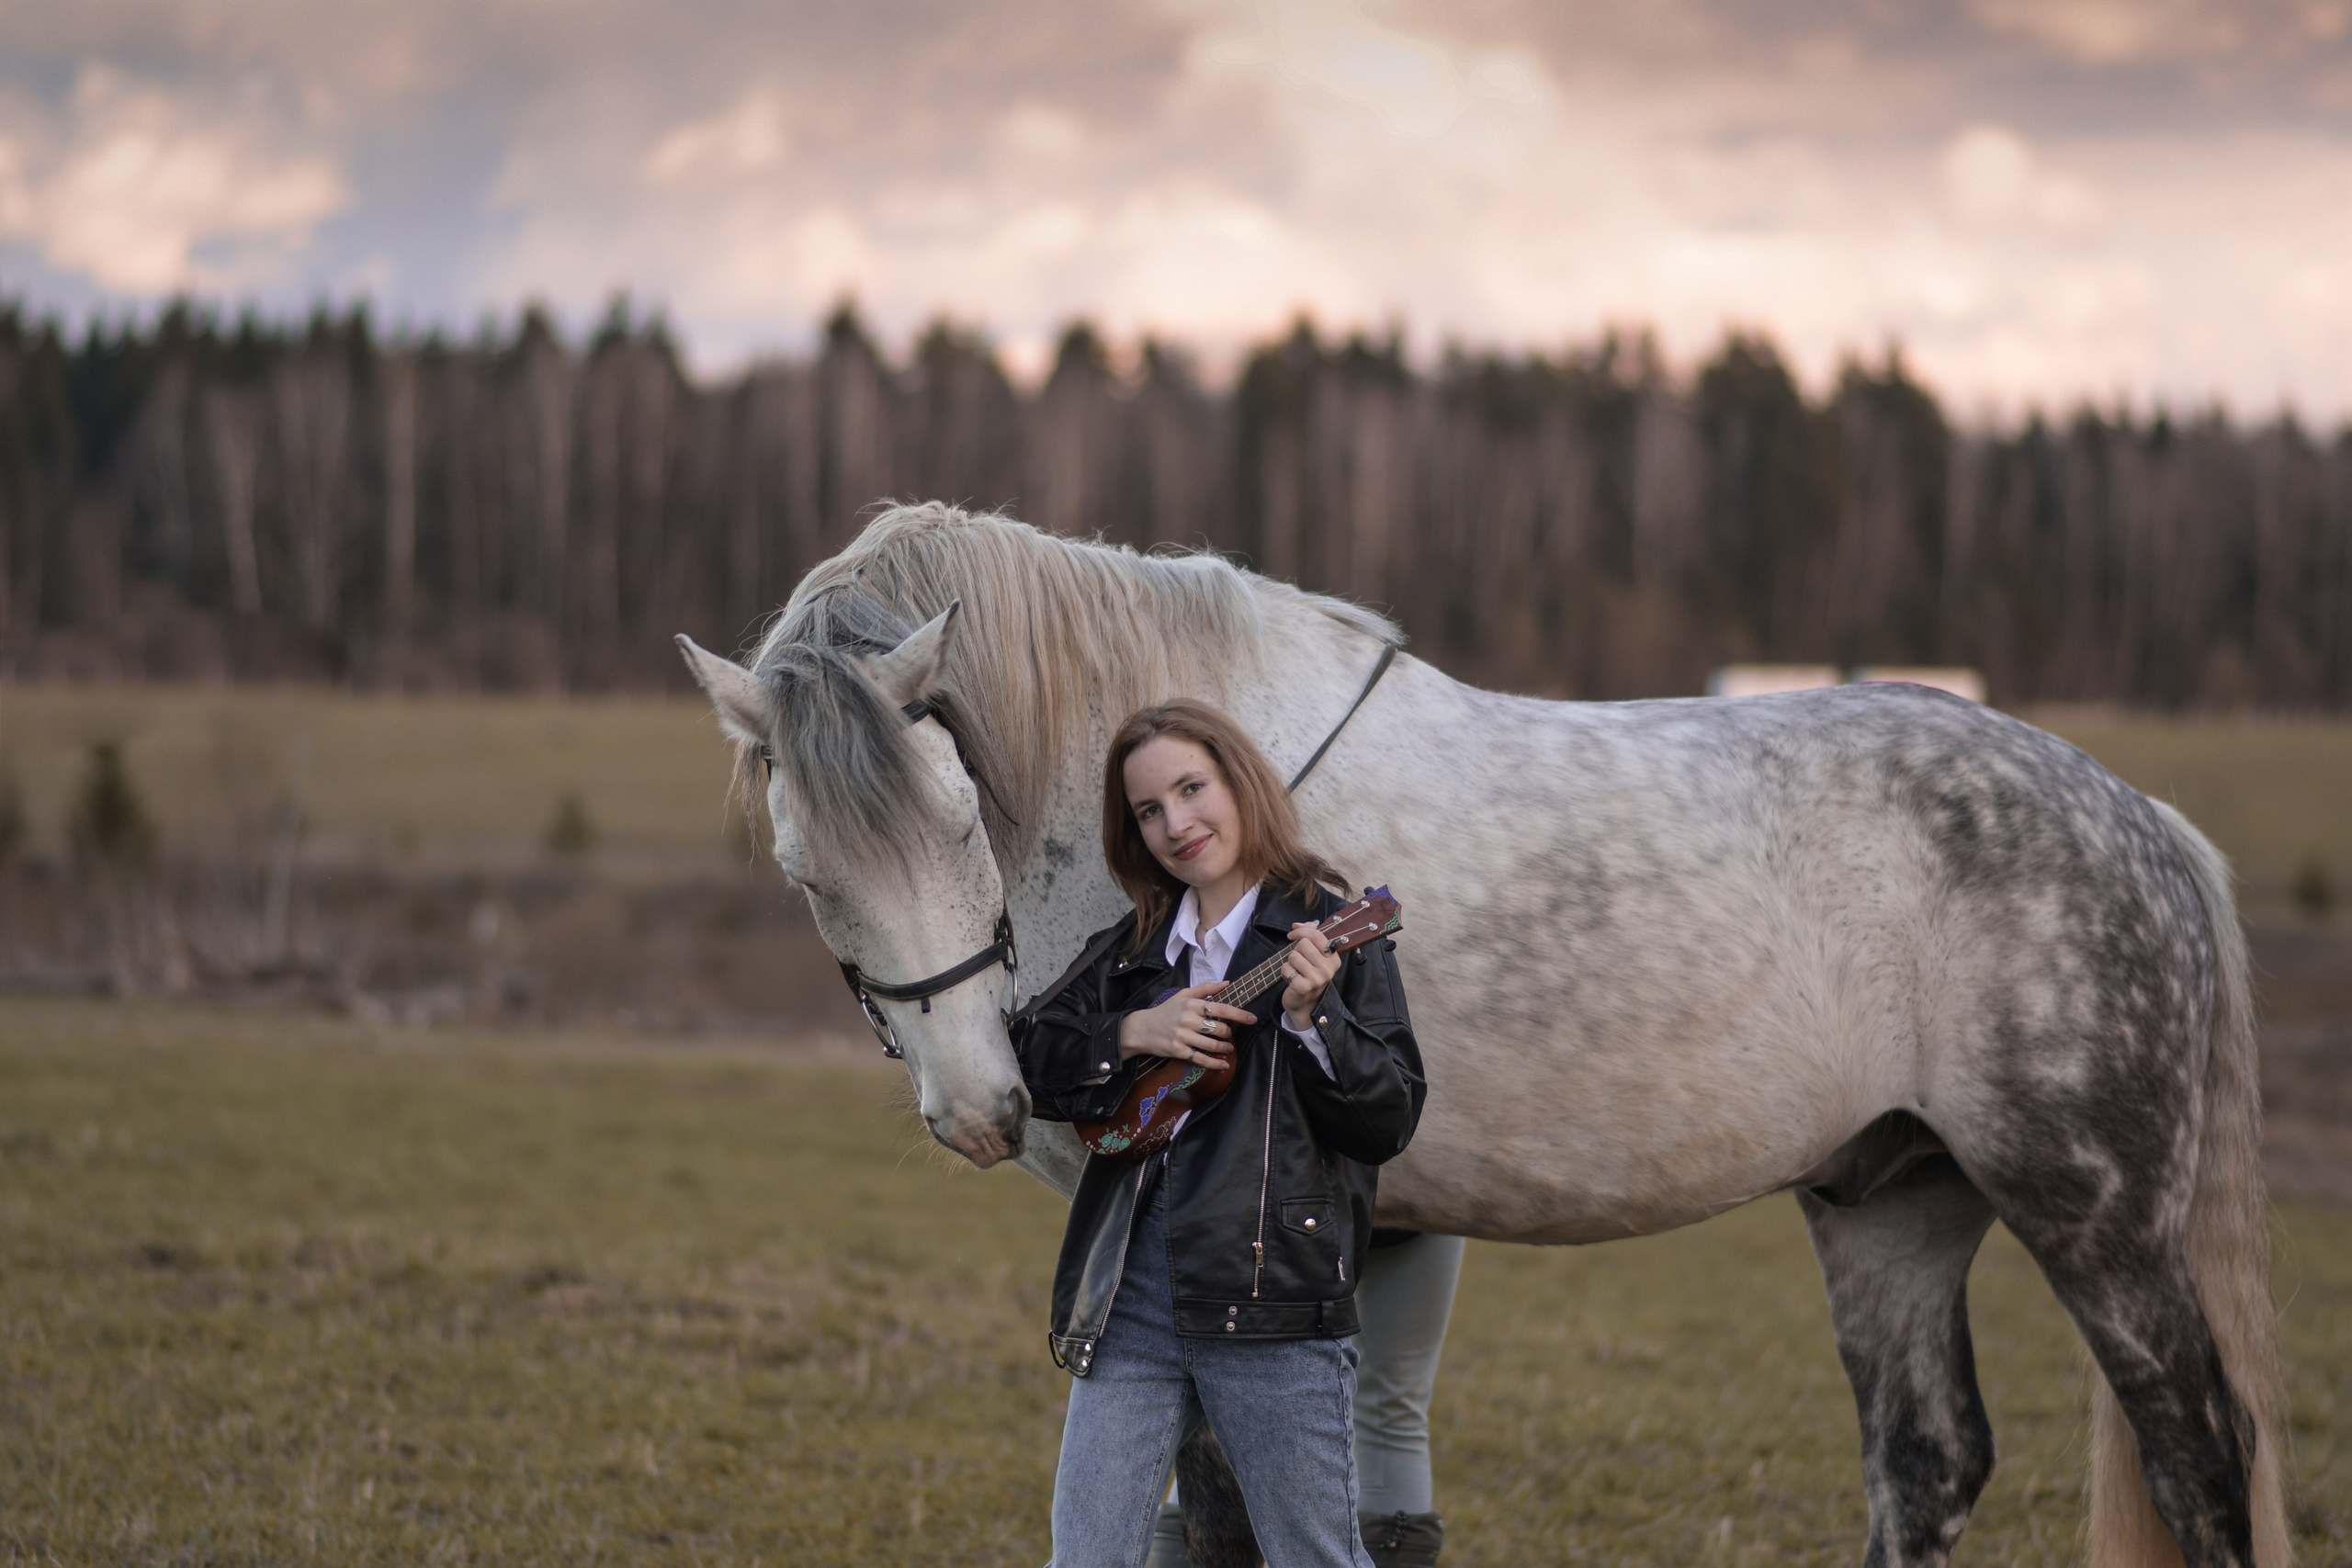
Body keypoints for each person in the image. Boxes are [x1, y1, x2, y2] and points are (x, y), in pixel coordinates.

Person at [1012, 699, 1427, 1568]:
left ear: (1239, 783)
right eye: (1148, 810)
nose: (1176, 823)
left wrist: (1318, 1023)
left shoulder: (1330, 930)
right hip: (1132, 1301)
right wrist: (1134, 1032)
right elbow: (1028, 1052)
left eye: (1191, 788)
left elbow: (1389, 1115)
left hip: (1272, 1293)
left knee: (1315, 1558)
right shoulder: (1136, 949)